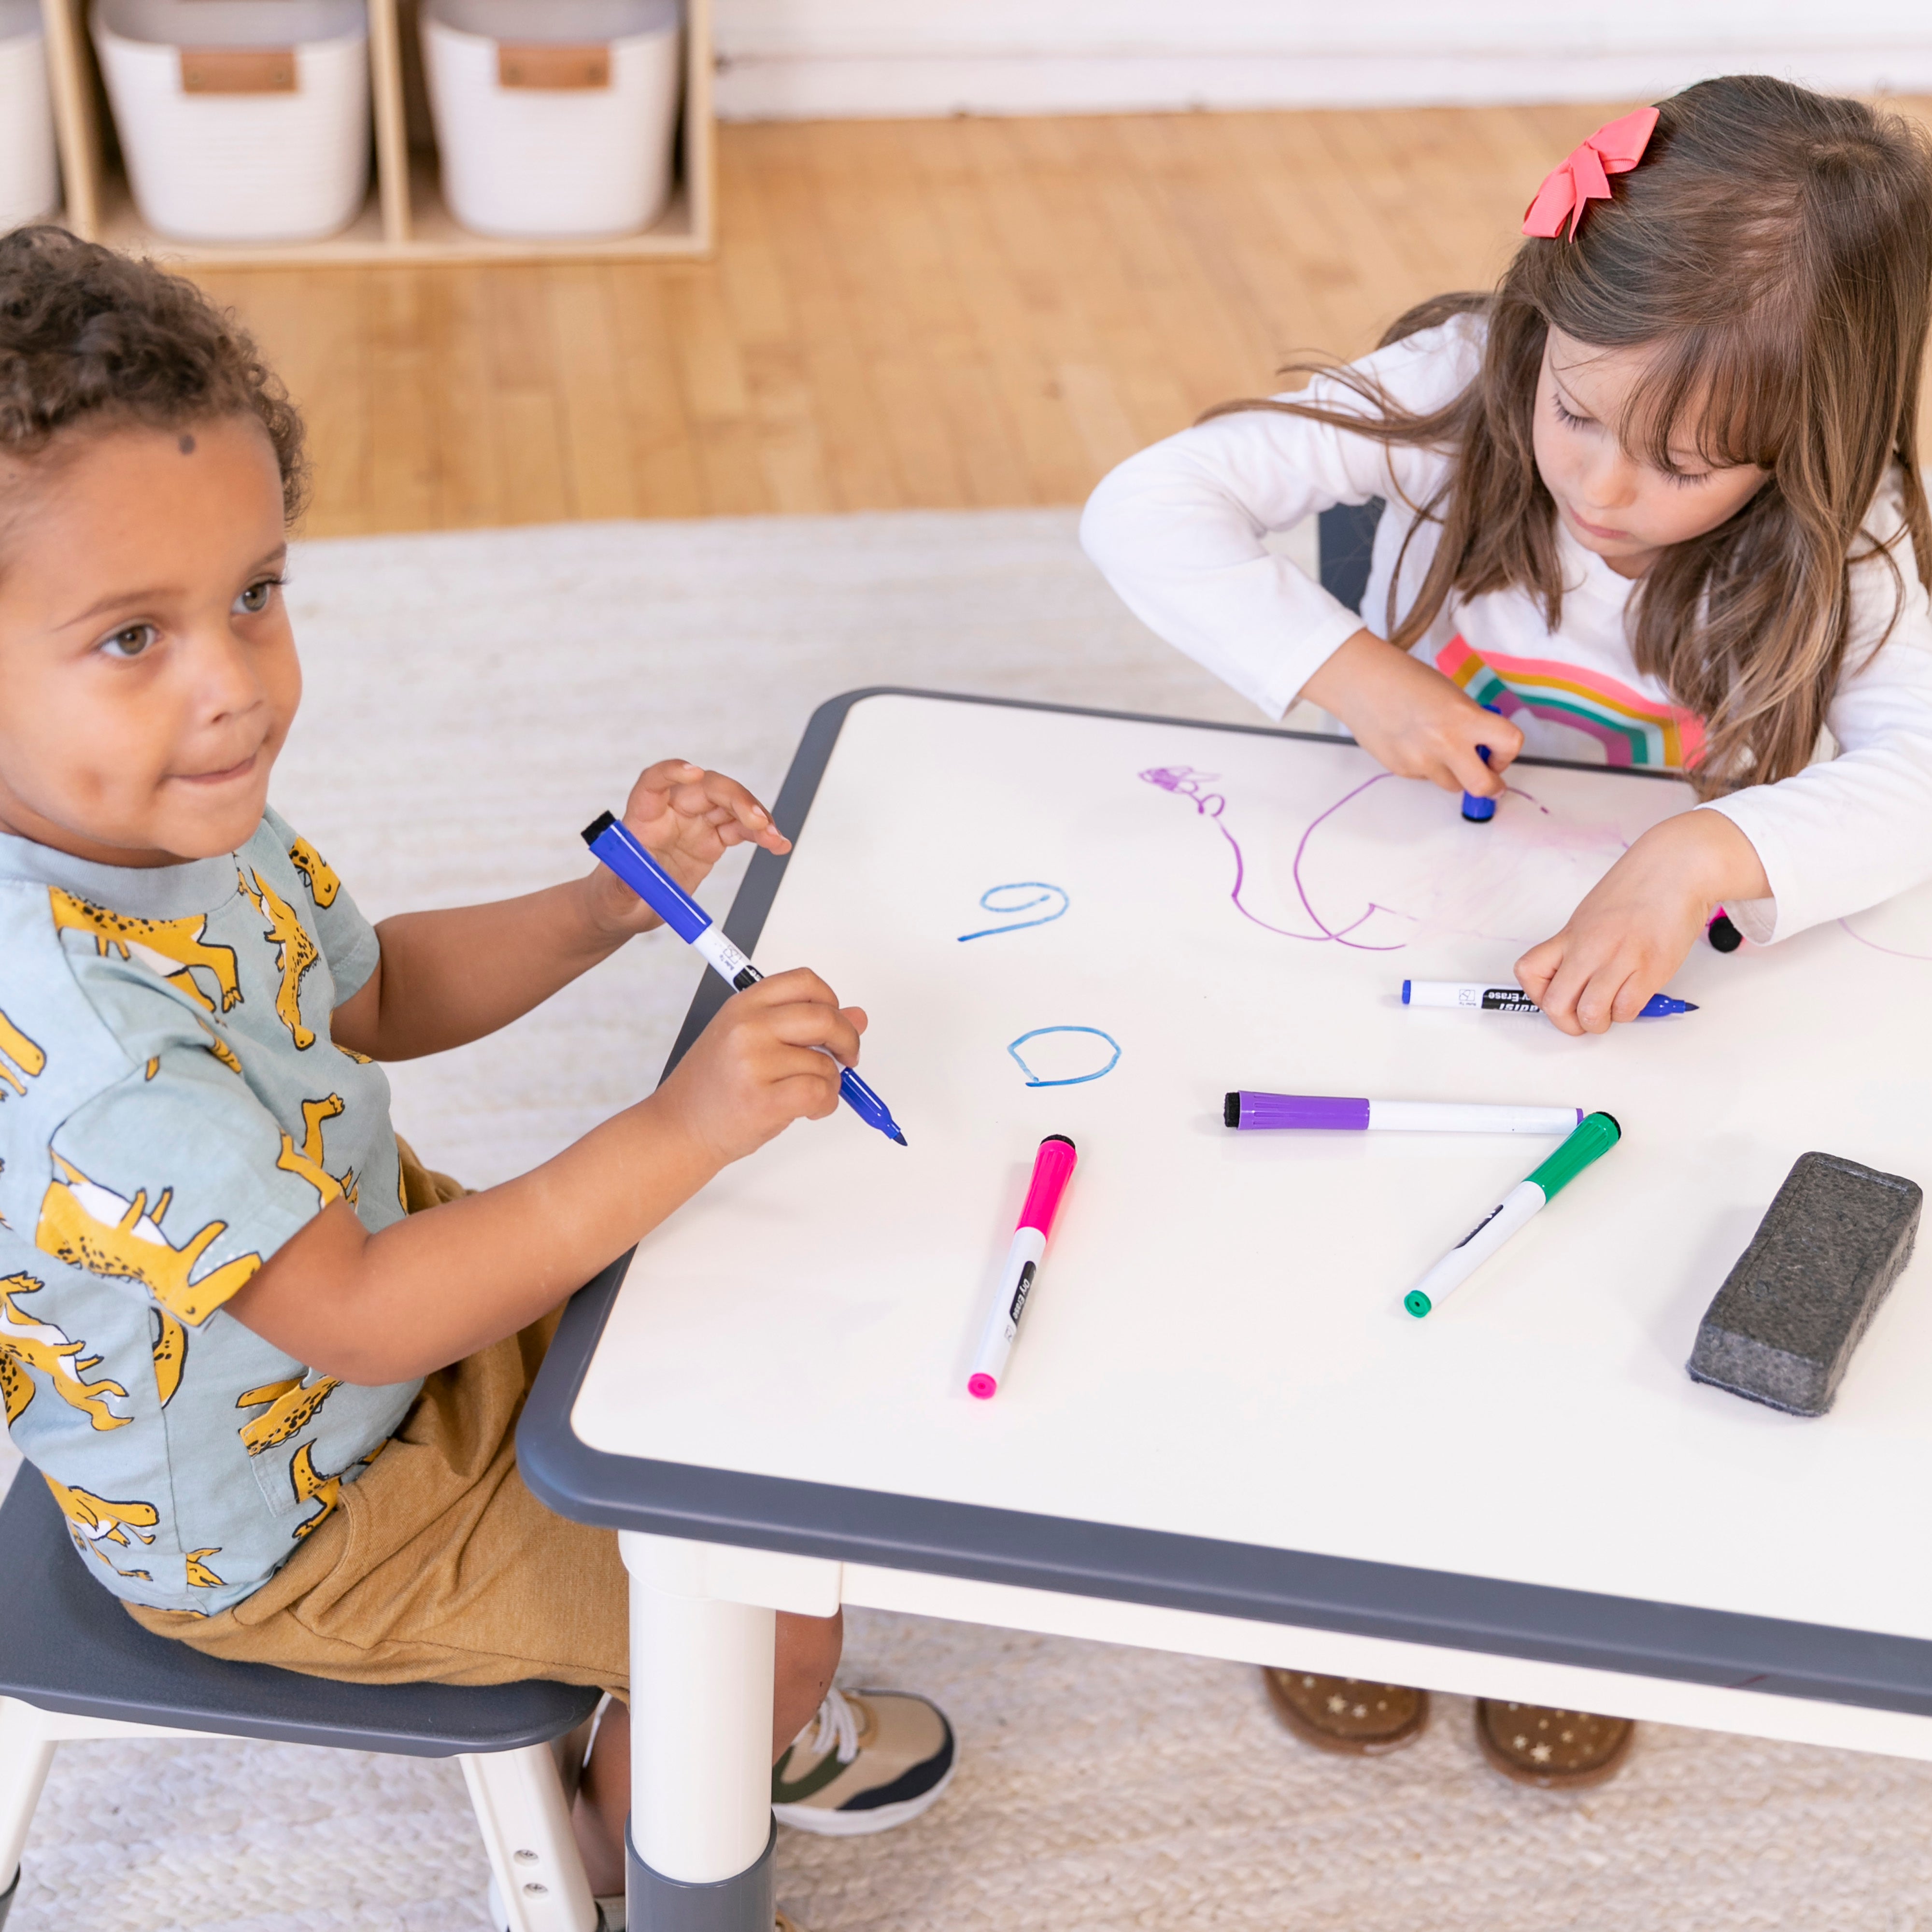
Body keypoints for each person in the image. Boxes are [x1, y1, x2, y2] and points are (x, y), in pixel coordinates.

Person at [0, 227, 953, 1931]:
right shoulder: (90, 1055)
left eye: (255, 593)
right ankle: (629, 1861)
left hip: (379, 1308)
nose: (234, 685)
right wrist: (678, 1129)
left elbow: (368, 995)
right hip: (292, 1517)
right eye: (133, 639)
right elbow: (365, 1317)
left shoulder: (154, 816)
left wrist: (610, 901)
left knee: (764, 1377)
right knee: (762, 1601)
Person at [1080, 76, 1932, 1784]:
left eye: (1691, 466)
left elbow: (1918, 776)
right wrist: (1346, 667)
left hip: (1646, 989)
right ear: (1543, 327)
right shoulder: (1461, 376)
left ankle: (1571, 1592)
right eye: (1582, 418)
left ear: (1809, 443)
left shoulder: (1859, 547)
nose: (1607, 492)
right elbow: (1142, 508)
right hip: (1399, 916)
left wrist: (1705, 849)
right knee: (1344, 1244)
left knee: (1610, 1277)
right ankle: (1343, 1579)